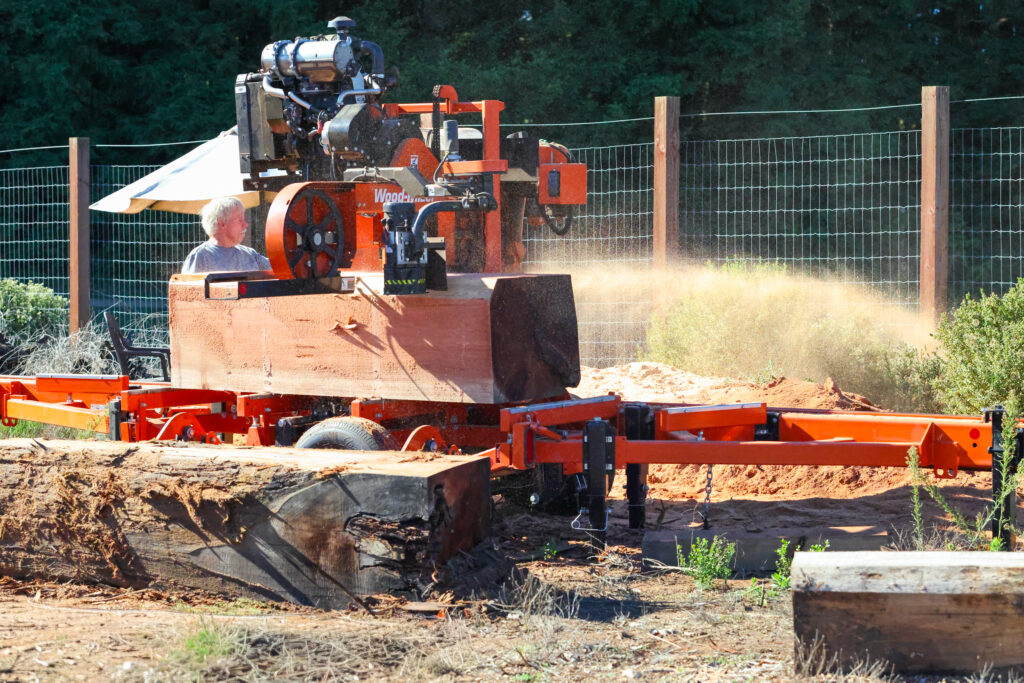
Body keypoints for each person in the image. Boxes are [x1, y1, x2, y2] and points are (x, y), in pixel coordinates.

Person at [181, 197, 271, 273]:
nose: (245, 224)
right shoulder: (200, 257)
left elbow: (280, 269)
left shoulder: (250, 254)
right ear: (222, 222)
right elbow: (187, 292)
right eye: (239, 220)